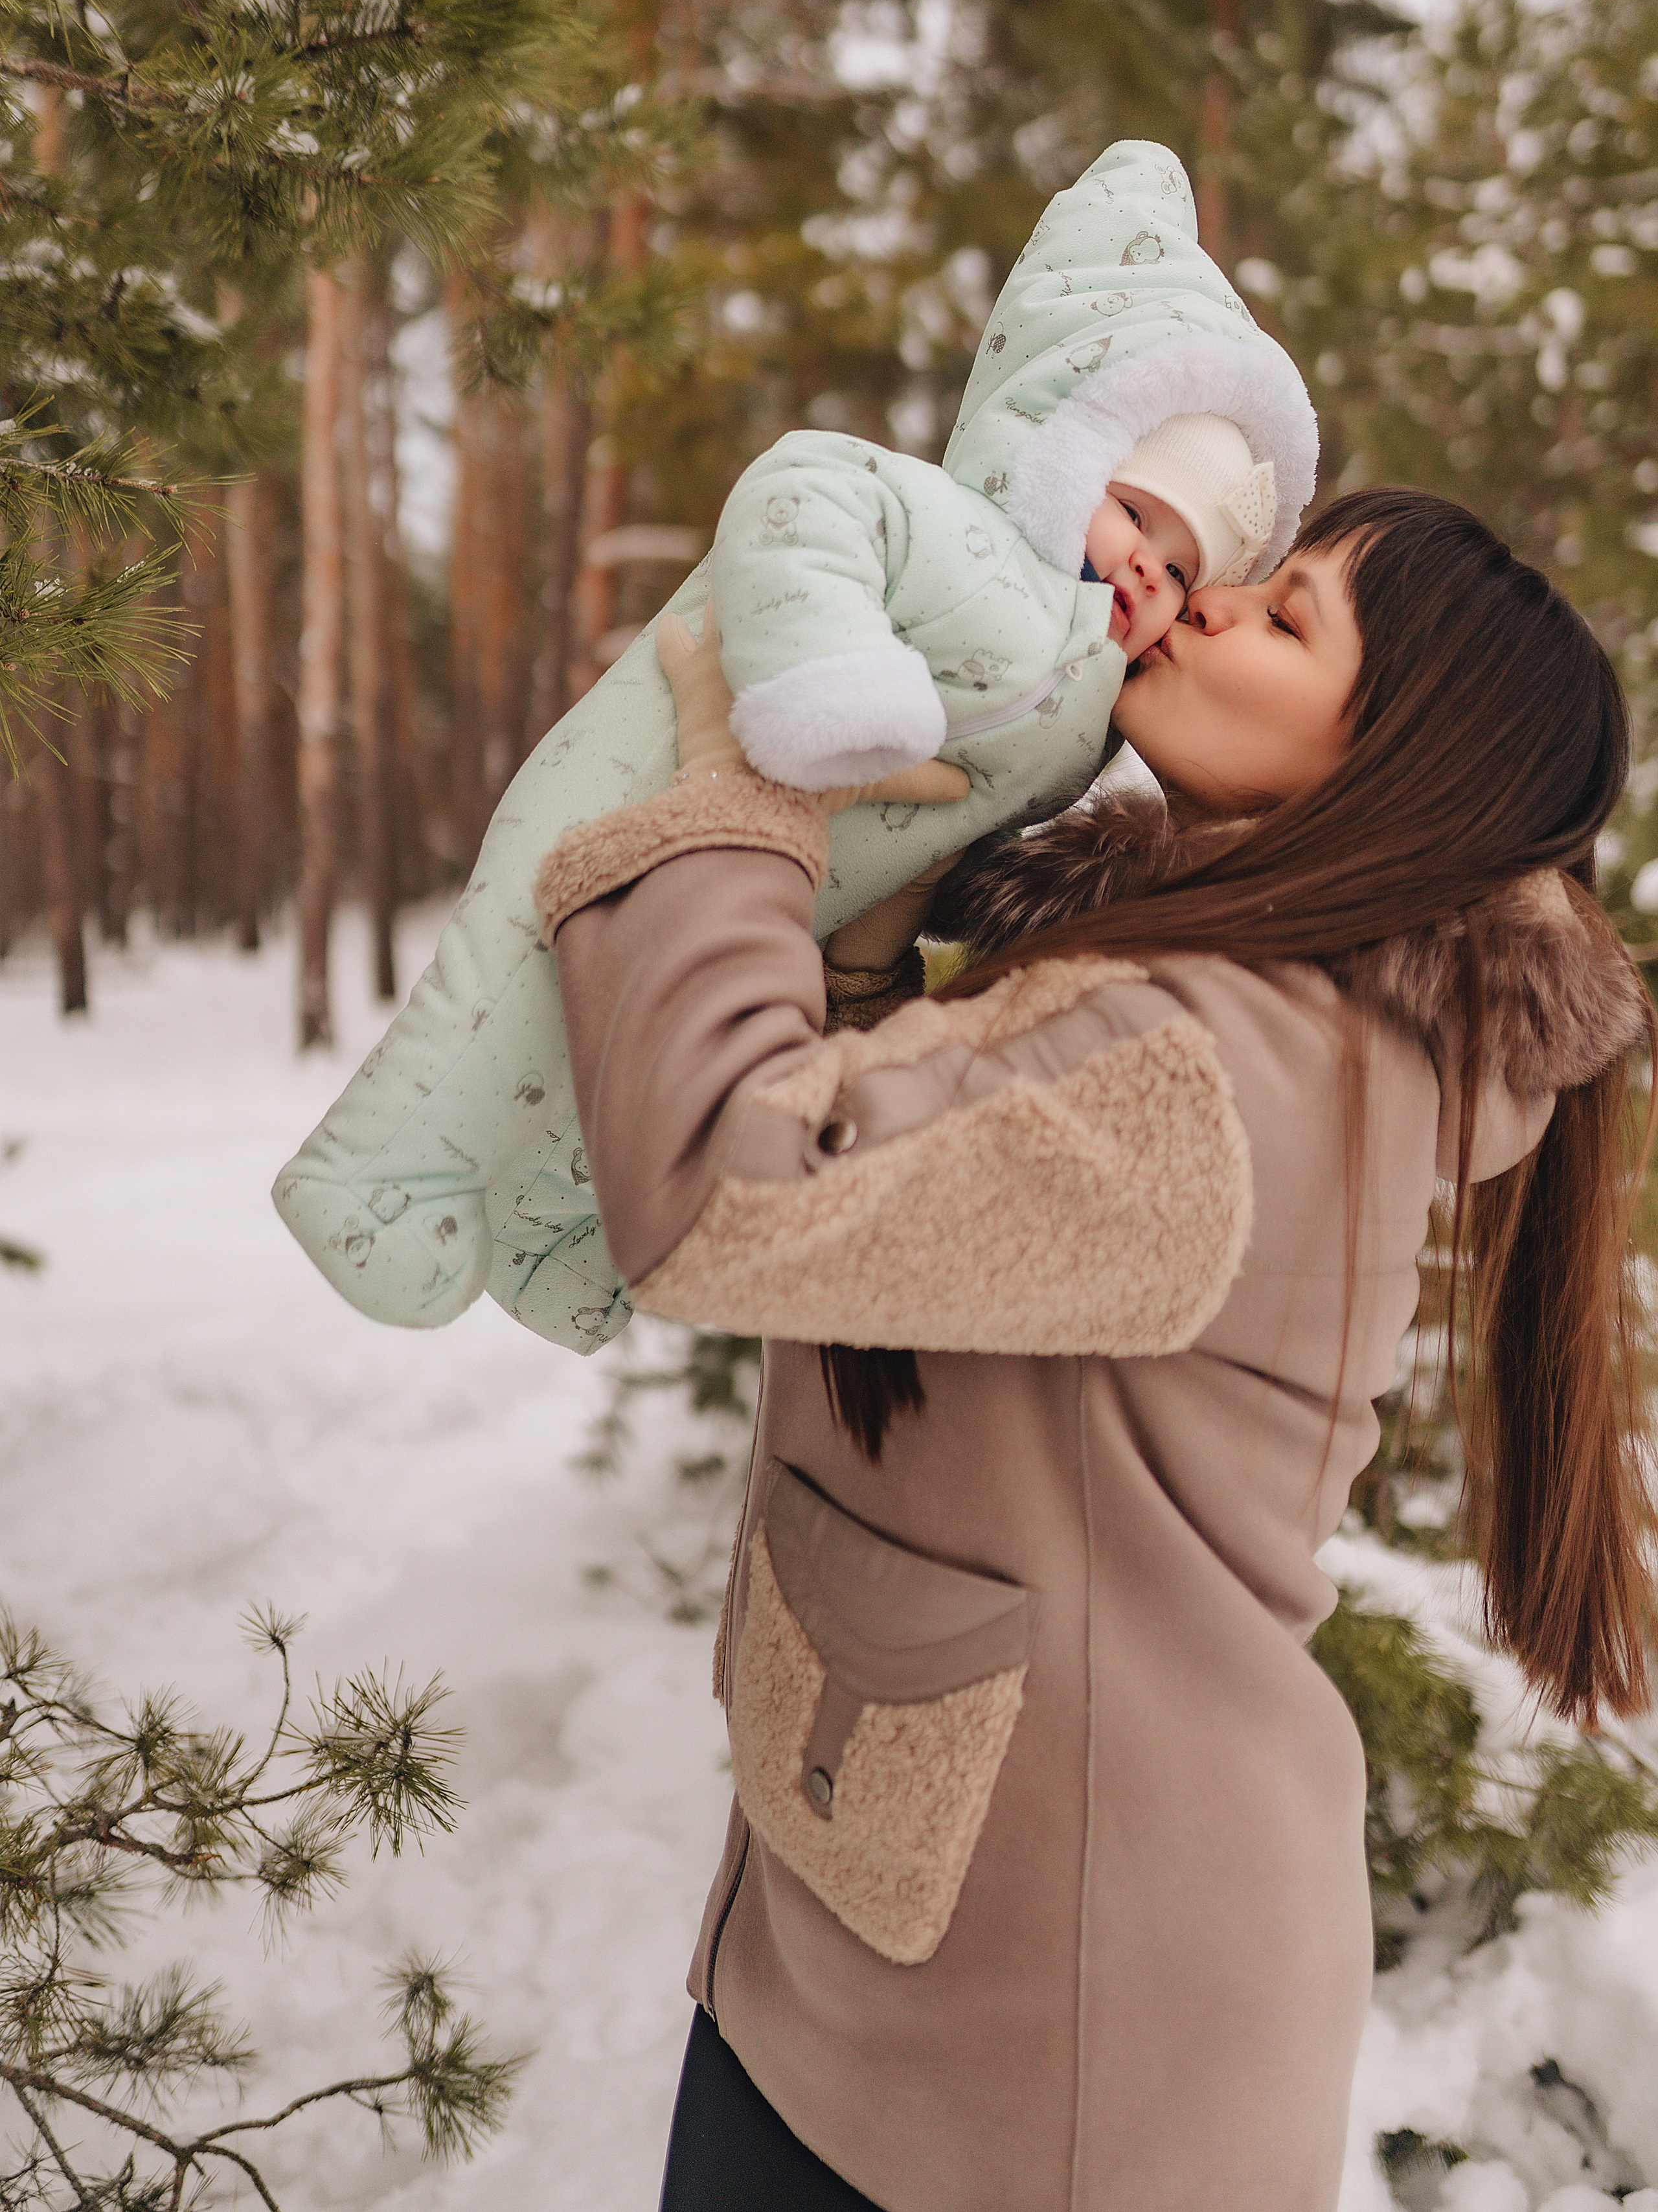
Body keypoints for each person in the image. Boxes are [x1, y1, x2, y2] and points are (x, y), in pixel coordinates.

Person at [534, 486, 1655, 2212]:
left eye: (1289, 623)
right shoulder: (1245, 990)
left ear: (1405, 767)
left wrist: (736, 822)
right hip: (920, 1938)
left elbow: (724, 1190)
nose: (1209, 604)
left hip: (1053, 2059)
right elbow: (897, 1201)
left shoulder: (1215, 1055)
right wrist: (847, 929)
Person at [271, 138, 1314, 1361]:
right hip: (657, 765)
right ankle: (365, 1173)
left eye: (1182, 564)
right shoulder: (954, 526)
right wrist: (825, 681)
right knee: (506, 979)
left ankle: (559, 1256)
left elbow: (956, 824)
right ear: (1068, 448)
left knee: (591, 1056)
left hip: (792, 877)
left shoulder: (1091, 712)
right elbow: (804, 492)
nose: (1149, 562)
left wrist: (873, 960)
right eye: (1135, 510)